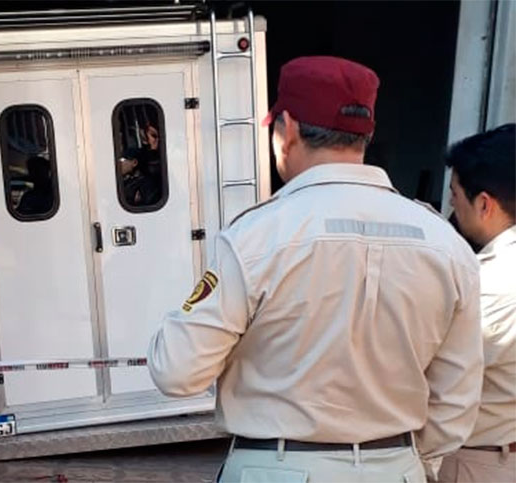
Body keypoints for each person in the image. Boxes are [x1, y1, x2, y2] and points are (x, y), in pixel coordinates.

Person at [147, 56, 483, 482]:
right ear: (367, 133)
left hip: (276, 468)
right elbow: (456, 401)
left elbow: (176, 371)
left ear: (286, 129)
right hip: (395, 467)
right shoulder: (445, 244)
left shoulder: (256, 235)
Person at [437, 123, 515, 483]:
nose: (451, 205)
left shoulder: (492, 282)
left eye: (454, 194)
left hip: (480, 462)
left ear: (484, 203)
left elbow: (432, 372)